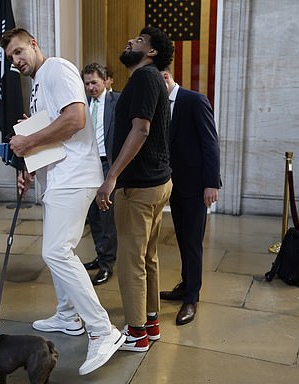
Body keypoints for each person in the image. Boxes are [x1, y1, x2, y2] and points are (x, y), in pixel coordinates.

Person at [1, 28, 125, 376]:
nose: (17, 60)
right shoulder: (39, 83)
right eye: (11, 57)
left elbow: (75, 119)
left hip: (75, 176)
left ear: (34, 45)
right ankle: (68, 316)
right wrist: (28, 162)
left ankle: (102, 330)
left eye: (19, 51)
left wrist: (29, 141)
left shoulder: (56, 67)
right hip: (56, 177)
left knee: (56, 251)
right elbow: (53, 127)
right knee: (58, 250)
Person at [95, 26, 174, 353]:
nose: (131, 41)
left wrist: (111, 177)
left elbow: (140, 130)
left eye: (140, 41)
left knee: (131, 262)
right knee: (148, 258)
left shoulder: (144, 78)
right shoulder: (153, 79)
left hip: (139, 188)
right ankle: (151, 323)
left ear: (151, 52)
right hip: (157, 184)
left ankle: (137, 333)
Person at [159, 68, 221, 325]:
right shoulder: (160, 105)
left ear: (165, 77)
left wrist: (211, 184)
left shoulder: (194, 100)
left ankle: (191, 298)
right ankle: (185, 285)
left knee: (193, 242)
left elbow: (210, 143)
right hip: (174, 185)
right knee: (183, 239)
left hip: (196, 186)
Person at [81, 63, 119, 286]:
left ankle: (107, 264)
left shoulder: (118, 101)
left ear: (105, 81)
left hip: (107, 164)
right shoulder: (82, 103)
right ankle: (100, 254)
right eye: (87, 83)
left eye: (94, 82)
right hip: (87, 163)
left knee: (106, 217)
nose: (91, 87)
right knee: (92, 215)